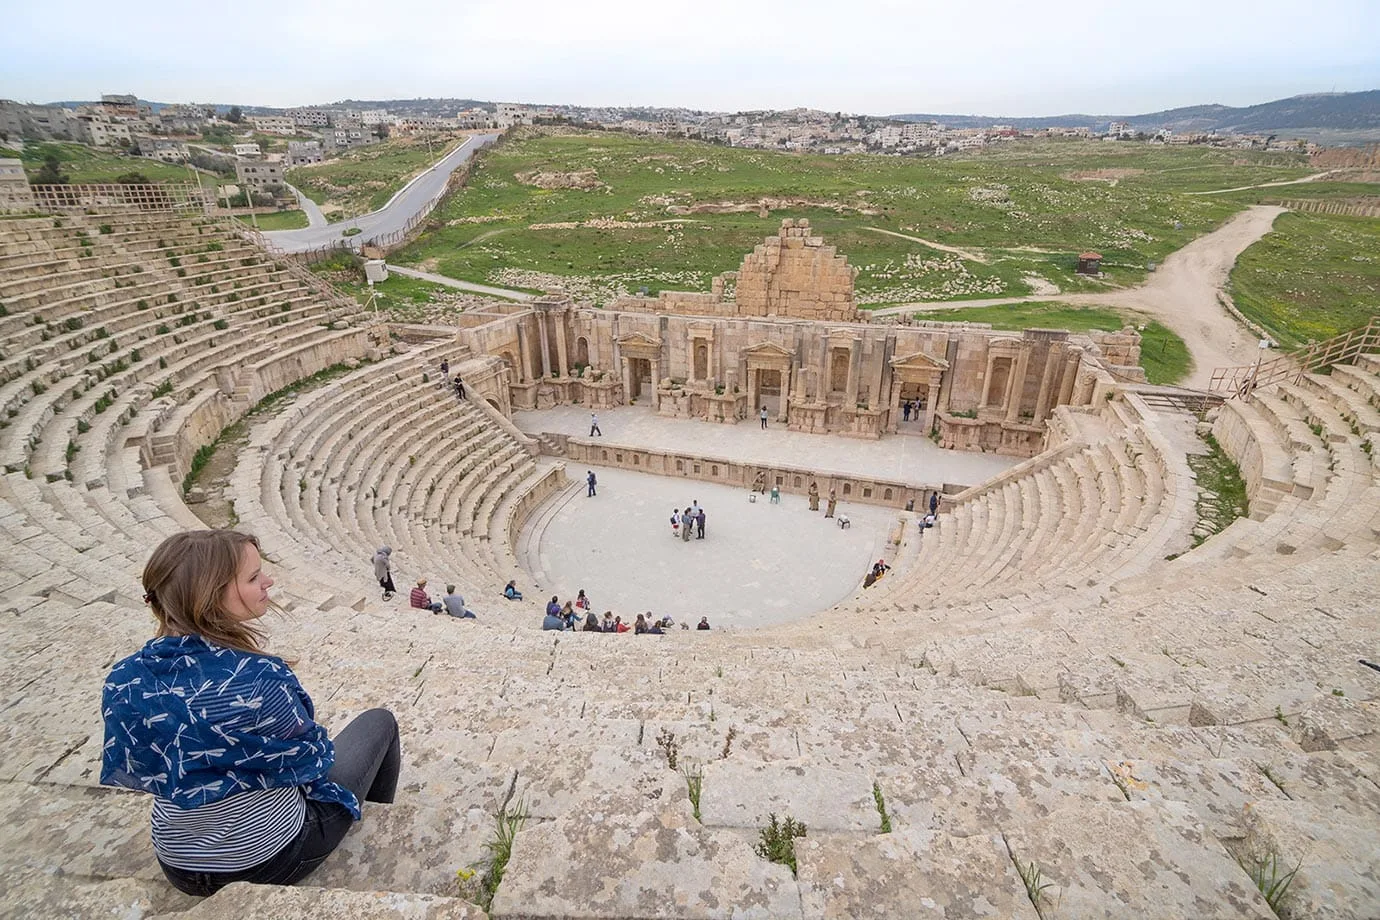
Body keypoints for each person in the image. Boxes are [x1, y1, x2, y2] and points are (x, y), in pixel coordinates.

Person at [100, 530, 400, 897]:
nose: (268, 581)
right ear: (212, 595)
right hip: (268, 858)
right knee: (379, 722)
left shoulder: (123, 680)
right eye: (254, 577)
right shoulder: (259, 679)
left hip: (176, 862)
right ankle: (370, 822)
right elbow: (312, 759)